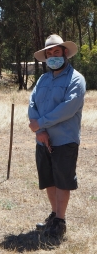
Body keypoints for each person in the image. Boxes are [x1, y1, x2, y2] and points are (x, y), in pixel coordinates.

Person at [29, 34, 86, 239]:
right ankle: (54, 215)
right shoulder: (43, 79)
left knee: (63, 181)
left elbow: (68, 109)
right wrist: (39, 131)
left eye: (56, 52)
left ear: (65, 53)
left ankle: (60, 222)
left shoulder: (76, 79)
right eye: (49, 53)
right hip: (43, 139)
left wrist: (41, 123)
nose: (53, 56)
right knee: (49, 179)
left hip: (64, 140)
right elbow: (32, 104)